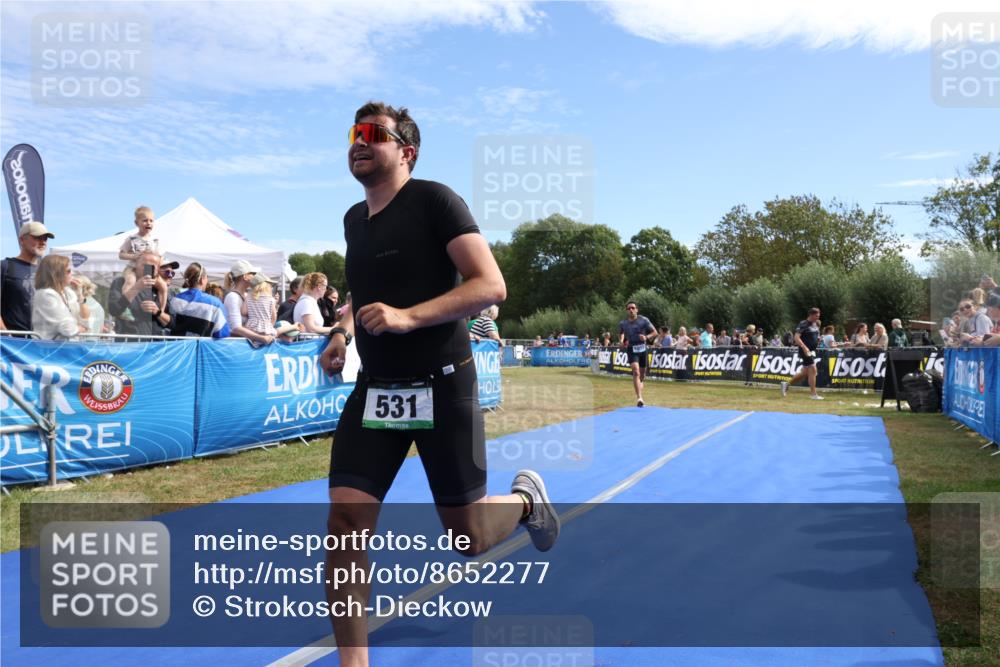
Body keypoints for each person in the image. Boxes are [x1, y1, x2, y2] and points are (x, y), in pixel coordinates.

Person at [317, 101, 558, 664]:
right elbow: (363, 286)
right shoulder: (355, 219)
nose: (359, 141)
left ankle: (524, 502)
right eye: (354, 132)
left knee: (468, 538)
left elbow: (491, 285)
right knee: (346, 522)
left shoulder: (436, 200)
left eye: (373, 133)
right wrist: (342, 331)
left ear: (407, 150)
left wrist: (409, 316)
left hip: (443, 384)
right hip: (377, 388)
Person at [1, 221, 53, 332]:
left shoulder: (47, 271)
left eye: (45, 238)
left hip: (42, 343)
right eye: (37, 237)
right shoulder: (5, 266)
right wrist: (6, 335)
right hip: (13, 344)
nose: (43, 242)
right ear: (22, 240)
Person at [107, 251, 172, 336]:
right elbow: (114, 310)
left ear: (158, 268)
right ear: (136, 265)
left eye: (154, 266)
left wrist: (158, 312)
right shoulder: (121, 282)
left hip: (154, 345)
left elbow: (172, 323)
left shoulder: (159, 287)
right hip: (128, 343)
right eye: (145, 265)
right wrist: (136, 288)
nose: (149, 268)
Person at [31, 254, 88, 340]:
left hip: (68, 348)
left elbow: (85, 322)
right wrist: (79, 328)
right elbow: (68, 330)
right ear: (56, 273)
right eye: (68, 271)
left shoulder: (68, 292)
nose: (72, 273)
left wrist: (80, 296)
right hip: (49, 349)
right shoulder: (45, 294)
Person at [169, 262, 231, 338]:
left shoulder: (175, 299)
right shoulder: (215, 304)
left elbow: (168, 326)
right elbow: (222, 334)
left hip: (177, 348)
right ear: (202, 279)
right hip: (203, 349)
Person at [223, 259, 274, 344]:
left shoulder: (247, 296)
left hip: (246, 345)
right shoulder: (232, 297)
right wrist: (261, 337)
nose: (255, 276)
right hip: (235, 346)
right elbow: (236, 328)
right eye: (253, 274)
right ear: (245, 277)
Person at [619, 300, 657, 407]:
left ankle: (640, 386)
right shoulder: (623, 323)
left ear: (637, 310)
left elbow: (655, 332)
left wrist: (646, 337)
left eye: (633, 308)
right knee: (635, 372)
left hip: (642, 348)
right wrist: (621, 341)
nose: (631, 310)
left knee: (642, 375)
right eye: (629, 308)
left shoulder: (644, 320)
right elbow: (621, 333)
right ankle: (639, 398)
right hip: (631, 348)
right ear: (627, 311)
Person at [781, 307, 823, 400]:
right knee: (813, 369)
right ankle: (813, 394)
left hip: (812, 351)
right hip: (804, 350)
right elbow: (796, 338)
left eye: (818, 316)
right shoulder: (803, 324)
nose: (818, 317)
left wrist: (818, 340)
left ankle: (786, 384)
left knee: (804, 373)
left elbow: (815, 335)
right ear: (811, 315)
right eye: (816, 316)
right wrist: (804, 347)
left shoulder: (816, 324)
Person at [244, 273, 278, 338]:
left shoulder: (248, 297)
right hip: (266, 328)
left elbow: (244, 311)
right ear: (266, 286)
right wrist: (270, 326)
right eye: (270, 286)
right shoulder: (271, 299)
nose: (271, 288)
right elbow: (274, 316)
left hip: (251, 328)